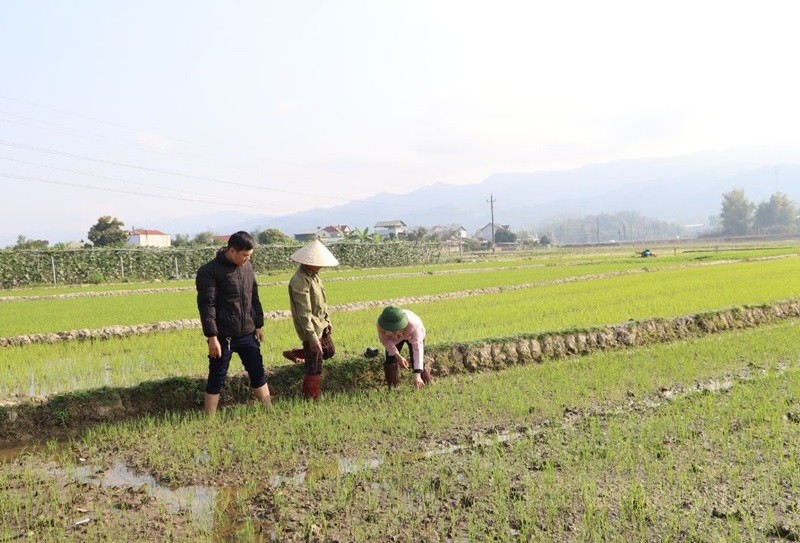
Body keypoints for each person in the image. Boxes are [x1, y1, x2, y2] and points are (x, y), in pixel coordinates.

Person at [196, 231, 271, 415]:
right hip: (223, 336)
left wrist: (258, 325)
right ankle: (209, 418)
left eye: (250, 256)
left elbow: (254, 297)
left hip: (247, 332)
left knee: (257, 372)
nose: (247, 259)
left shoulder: (248, 268)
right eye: (244, 255)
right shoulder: (209, 271)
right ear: (232, 250)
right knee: (217, 376)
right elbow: (207, 306)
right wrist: (212, 337)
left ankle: (269, 411)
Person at [287, 239, 339, 400]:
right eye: (318, 263)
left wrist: (328, 320)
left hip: (321, 323)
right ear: (308, 262)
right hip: (311, 328)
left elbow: (322, 302)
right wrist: (312, 337)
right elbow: (304, 312)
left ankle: (296, 353)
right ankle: (311, 398)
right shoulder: (299, 281)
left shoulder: (315, 276)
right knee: (315, 367)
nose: (321, 266)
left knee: (329, 351)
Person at [377, 305, 433, 389]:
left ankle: (426, 385)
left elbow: (418, 350)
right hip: (394, 339)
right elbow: (385, 341)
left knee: (416, 360)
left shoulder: (414, 325)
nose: (396, 335)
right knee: (390, 359)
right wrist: (398, 356)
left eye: (396, 331)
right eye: (391, 332)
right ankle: (393, 389)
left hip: (411, 334)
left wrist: (417, 374)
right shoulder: (381, 324)